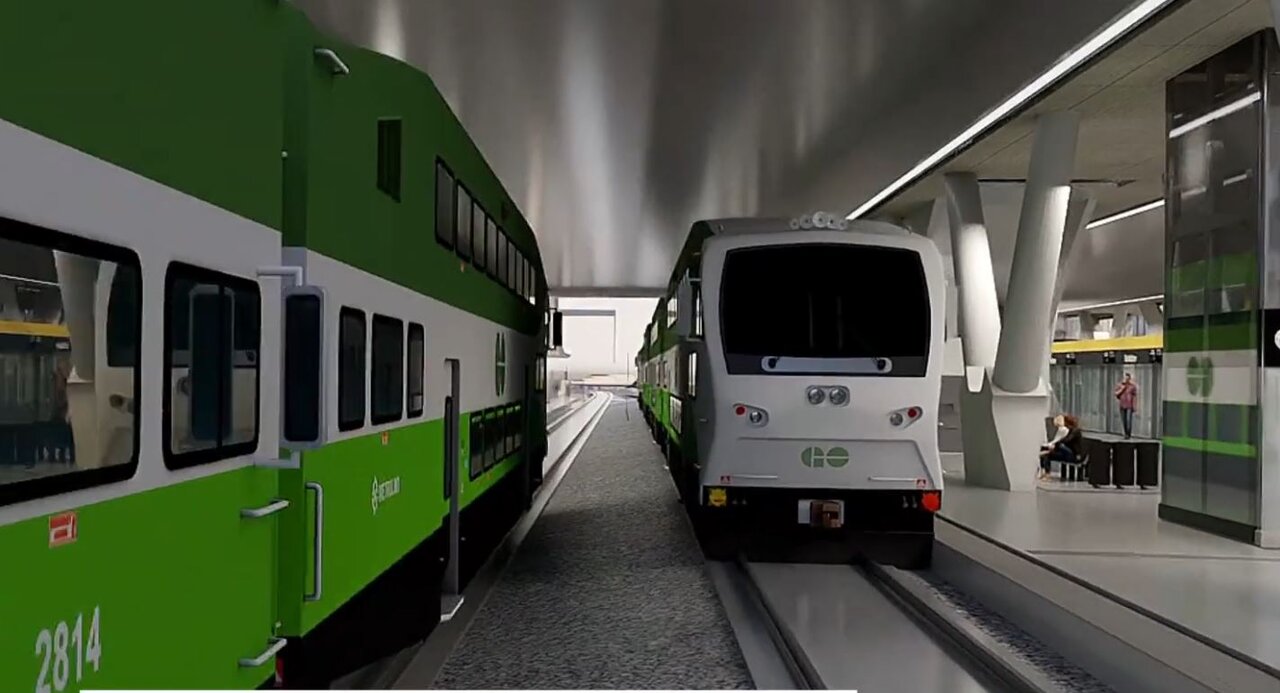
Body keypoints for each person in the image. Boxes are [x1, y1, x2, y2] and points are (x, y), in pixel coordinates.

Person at [1039, 414, 1082, 479]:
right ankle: (1047, 473)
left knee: (1059, 446)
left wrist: (1056, 444)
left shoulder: (1075, 431)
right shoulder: (1068, 430)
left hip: (1073, 454)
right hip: (1066, 453)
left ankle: (1049, 450)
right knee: (1047, 455)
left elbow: (1067, 440)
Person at [1114, 373, 1138, 439]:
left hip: (1129, 406)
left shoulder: (1132, 386)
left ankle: (1128, 434)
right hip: (1122, 405)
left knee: (1128, 420)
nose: (1126, 379)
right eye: (1125, 378)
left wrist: (1134, 405)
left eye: (1127, 378)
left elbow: (1135, 396)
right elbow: (1116, 394)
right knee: (1124, 420)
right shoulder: (1120, 385)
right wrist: (1122, 389)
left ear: (1129, 379)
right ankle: (1125, 433)